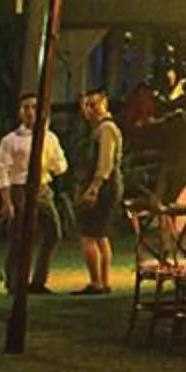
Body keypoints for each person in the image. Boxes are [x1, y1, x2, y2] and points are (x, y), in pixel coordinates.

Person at [0, 95, 69, 293]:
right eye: (26, 107)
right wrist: (7, 201)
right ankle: (14, 281)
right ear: (20, 111)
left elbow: (61, 164)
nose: (30, 111)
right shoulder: (11, 140)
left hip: (42, 188)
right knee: (20, 236)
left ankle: (39, 280)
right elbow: (2, 171)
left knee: (54, 232)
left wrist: (52, 167)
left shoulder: (49, 137)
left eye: (34, 107)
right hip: (21, 189)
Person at [74, 91, 124, 295]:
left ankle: (97, 282)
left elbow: (105, 162)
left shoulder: (106, 129)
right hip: (106, 184)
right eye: (87, 105)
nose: (90, 109)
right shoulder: (99, 129)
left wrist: (94, 188)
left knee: (89, 235)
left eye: (94, 104)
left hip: (104, 185)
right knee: (100, 234)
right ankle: (102, 281)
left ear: (104, 104)